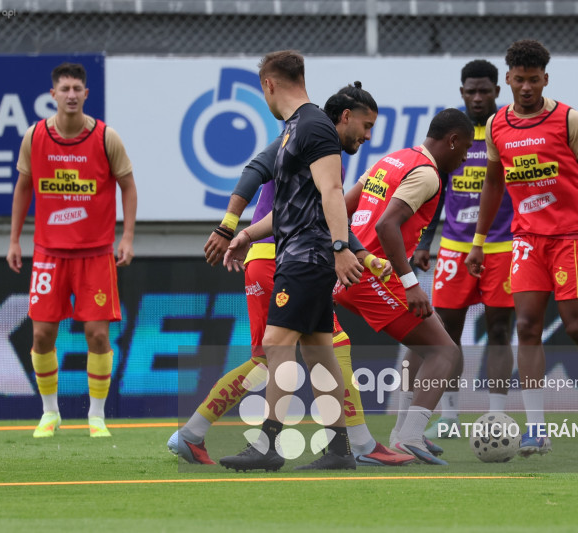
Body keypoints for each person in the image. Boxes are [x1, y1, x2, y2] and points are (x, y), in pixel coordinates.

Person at [168, 82, 413, 467]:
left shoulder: (305, 141)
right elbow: (262, 176)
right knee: (280, 351)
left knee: (307, 348)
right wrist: (232, 227)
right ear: (344, 117)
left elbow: (319, 210)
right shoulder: (307, 136)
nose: (369, 136)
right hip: (289, 259)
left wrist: (360, 255)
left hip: (288, 256)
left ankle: (340, 447)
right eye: (365, 126)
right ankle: (343, 444)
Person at [206, 50, 364, 472]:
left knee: (276, 346)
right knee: (318, 351)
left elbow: (332, 192)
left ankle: (267, 443)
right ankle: (339, 448)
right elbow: (294, 204)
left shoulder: (313, 125)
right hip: (301, 251)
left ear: (269, 85)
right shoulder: (297, 128)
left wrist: (339, 247)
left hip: (308, 255)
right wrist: (245, 233)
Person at [464, 40, 578, 456]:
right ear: (509, 81)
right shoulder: (498, 125)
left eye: (534, 80)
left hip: (570, 236)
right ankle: (537, 430)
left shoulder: (569, 119)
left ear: (545, 79)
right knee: (526, 327)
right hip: (526, 240)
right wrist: (478, 242)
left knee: (575, 326)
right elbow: (493, 185)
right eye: (519, 80)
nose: (527, 87)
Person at [333, 108, 474, 465]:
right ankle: (412, 436)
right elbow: (386, 226)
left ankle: (401, 433)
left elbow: (341, 208)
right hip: (376, 276)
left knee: (427, 340)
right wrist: (411, 284)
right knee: (446, 352)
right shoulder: (426, 174)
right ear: (452, 140)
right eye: (465, 148)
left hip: (354, 271)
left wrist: (342, 252)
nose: (464, 157)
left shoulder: (391, 160)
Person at [6, 62, 137, 438]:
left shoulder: (105, 137)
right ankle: (50, 413)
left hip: (96, 253)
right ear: (53, 95)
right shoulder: (34, 137)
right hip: (49, 252)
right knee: (42, 335)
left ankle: (96, 416)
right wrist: (15, 240)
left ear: (86, 94)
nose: (71, 95)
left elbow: (128, 186)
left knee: (97, 335)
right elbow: (23, 188)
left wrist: (126, 236)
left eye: (77, 88)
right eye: (64, 88)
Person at [411, 60, 515, 439]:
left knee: (500, 330)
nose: (477, 97)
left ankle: (496, 415)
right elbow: (433, 189)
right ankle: (450, 416)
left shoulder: (506, 129)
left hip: (502, 246)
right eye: (470, 91)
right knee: (446, 334)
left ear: (496, 92)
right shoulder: (452, 133)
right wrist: (425, 241)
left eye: (484, 90)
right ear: (461, 92)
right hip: (454, 248)